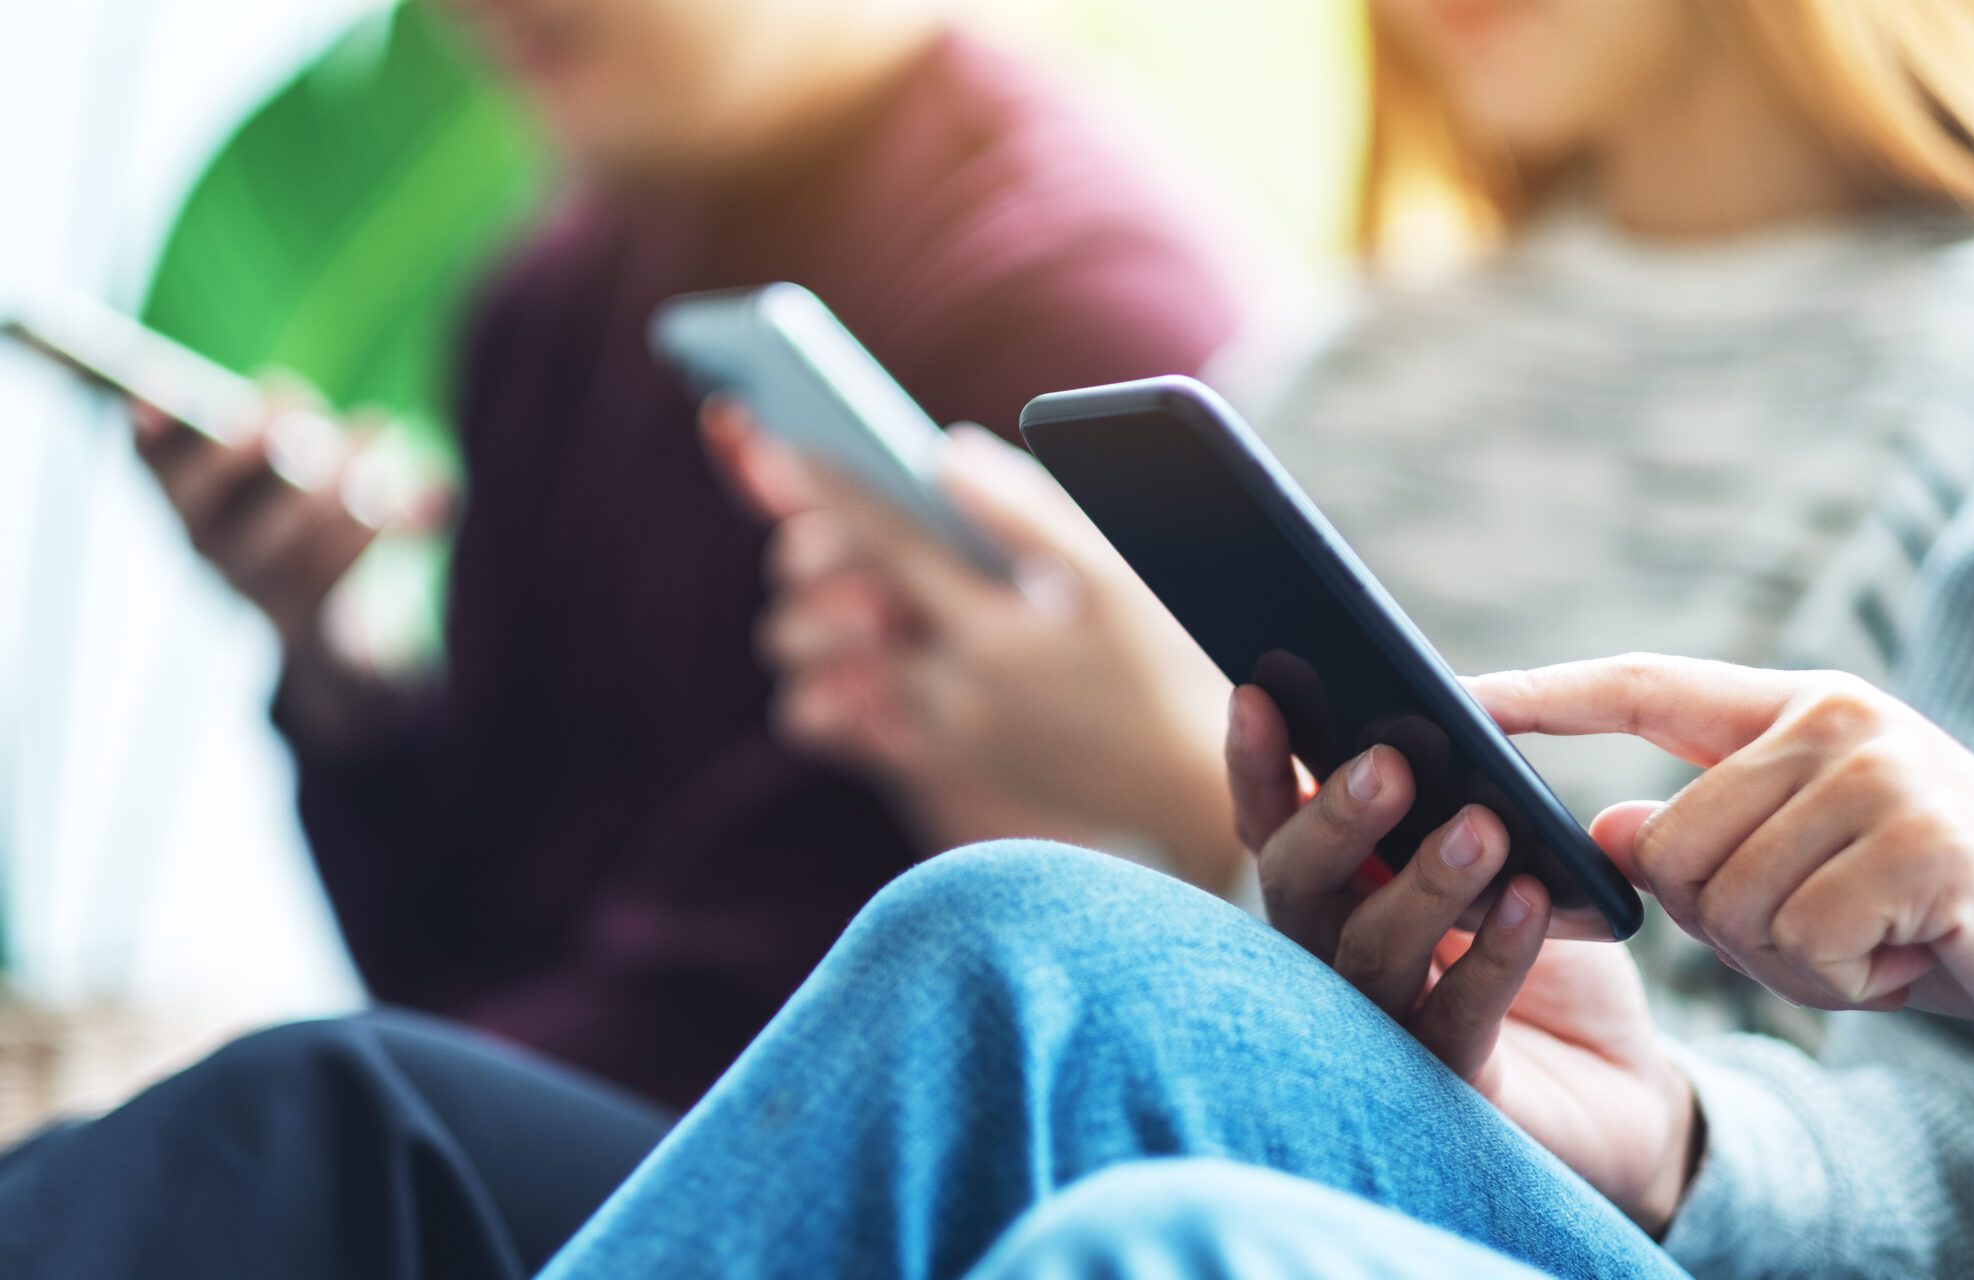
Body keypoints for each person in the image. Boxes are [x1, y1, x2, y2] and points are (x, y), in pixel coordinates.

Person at [7, 371, 1974, 1279]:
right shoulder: (1366, 325)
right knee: (336, 1118)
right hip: (1694, 1169)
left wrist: (1151, 781)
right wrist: (1688, 1145)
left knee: (1044, 970)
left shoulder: (1970, 344)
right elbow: (1947, 1143)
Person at [128, 0, 1246, 1109]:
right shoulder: (548, 295)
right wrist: (338, 663)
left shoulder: (1079, 327)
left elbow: (758, 1040)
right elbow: (460, 959)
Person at [722, 0, 1974, 914]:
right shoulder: (1346, 350)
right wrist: (988, 757)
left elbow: (1795, 1106)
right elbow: (1158, 961)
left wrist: (1193, 782)